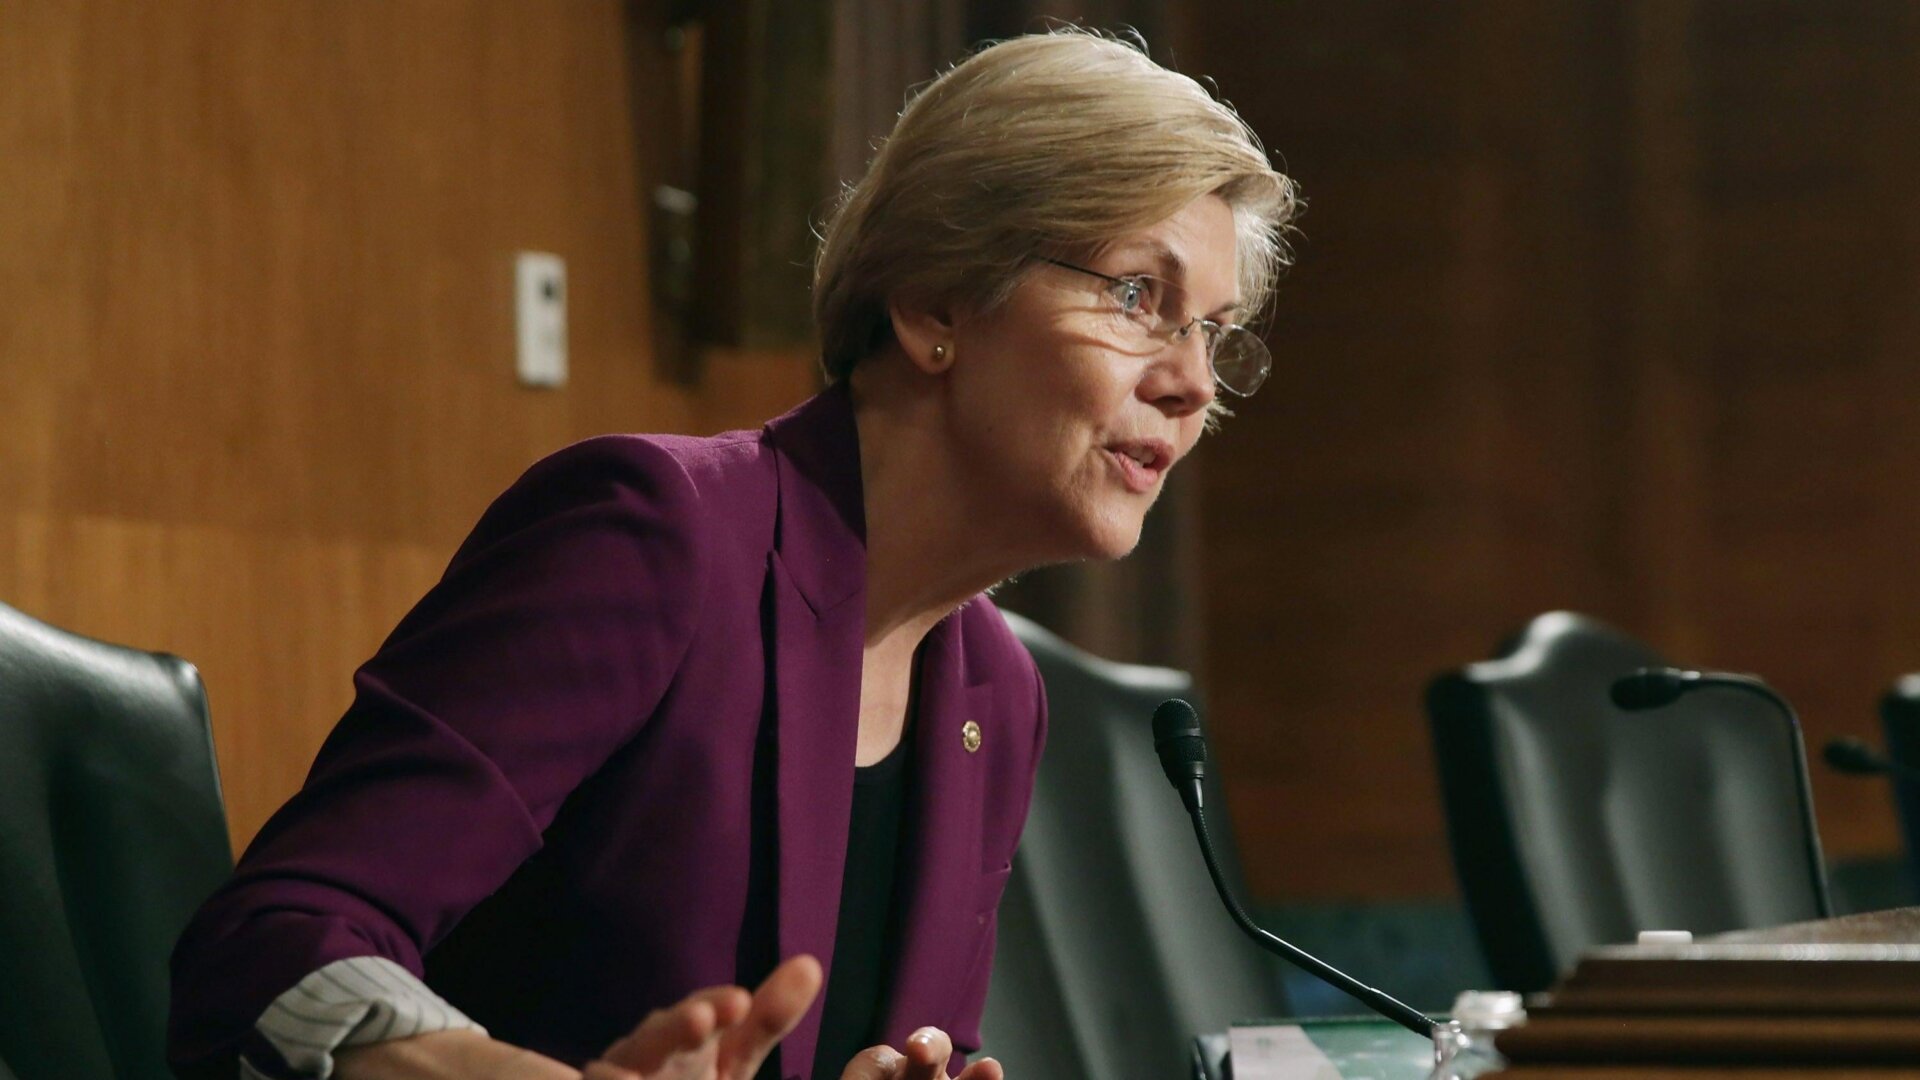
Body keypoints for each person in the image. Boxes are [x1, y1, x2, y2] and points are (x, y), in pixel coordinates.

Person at [168, 27, 1297, 1080]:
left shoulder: (993, 690)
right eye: (1138, 297)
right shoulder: (655, 537)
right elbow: (272, 945)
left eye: (1212, 332)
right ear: (934, 303)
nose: (1192, 383)